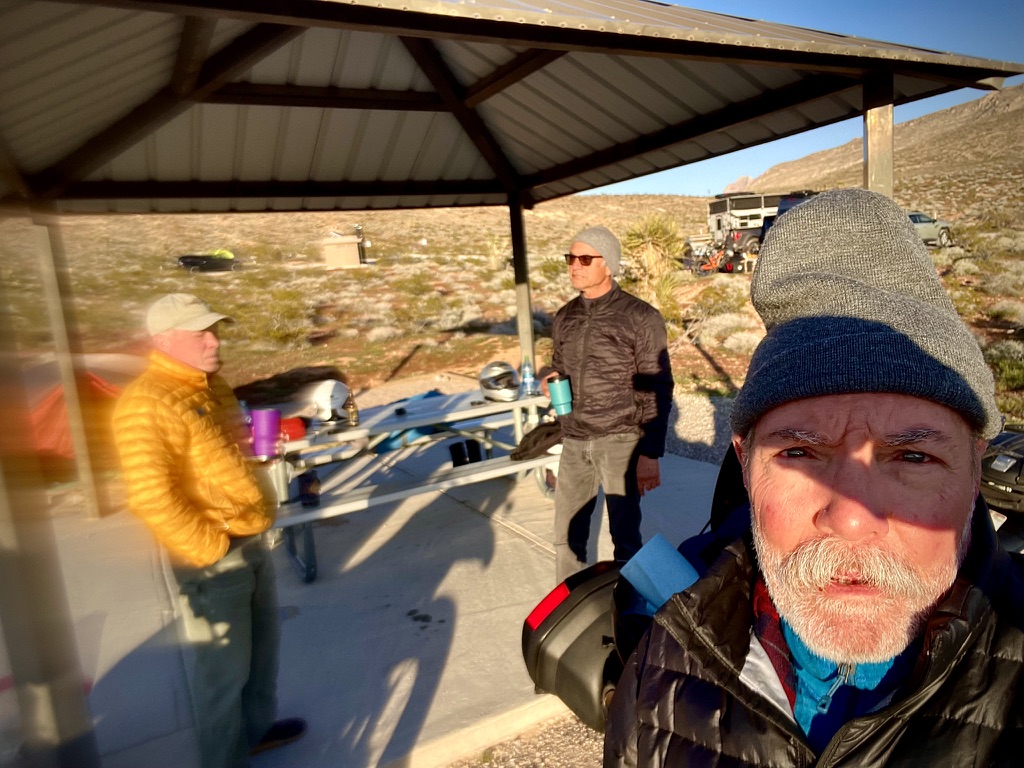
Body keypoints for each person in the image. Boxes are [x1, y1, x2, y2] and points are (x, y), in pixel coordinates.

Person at [604, 188, 1024, 766]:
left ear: (975, 469)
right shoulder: (666, 652)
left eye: (913, 457)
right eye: (800, 453)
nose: (851, 518)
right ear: (744, 463)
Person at [112, 293, 305, 768]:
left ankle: (254, 733)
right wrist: (211, 547)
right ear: (163, 341)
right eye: (200, 333)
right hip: (214, 555)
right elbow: (150, 495)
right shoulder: (146, 403)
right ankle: (224, 759)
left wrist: (257, 458)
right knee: (223, 670)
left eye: (214, 330)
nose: (213, 341)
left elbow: (221, 454)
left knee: (262, 651)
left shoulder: (212, 386)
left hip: (249, 537)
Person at [546, 226, 674, 583]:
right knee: (566, 536)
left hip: (621, 440)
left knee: (626, 537)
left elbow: (658, 385)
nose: (575, 265)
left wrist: (650, 453)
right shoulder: (565, 316)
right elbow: (559, 365)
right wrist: (550, 377)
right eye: (570, 258)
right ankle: (568, 603)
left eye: (585, 258)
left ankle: (628, 603)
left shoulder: (641, 316)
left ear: (609, 264)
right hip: (575, 440)